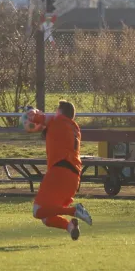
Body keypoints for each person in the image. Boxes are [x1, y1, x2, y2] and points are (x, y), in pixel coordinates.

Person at [27, 100, 92, 240]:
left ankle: (74, 210)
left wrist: (31, 111)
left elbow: (34, 118)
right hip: (74, 177)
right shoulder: (74, 128)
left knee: (38, 210)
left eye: (56, 110)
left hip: (60, 171)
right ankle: (70, 227)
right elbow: (48, 129)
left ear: (60, 111)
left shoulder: (57, 120)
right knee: (47, 216)